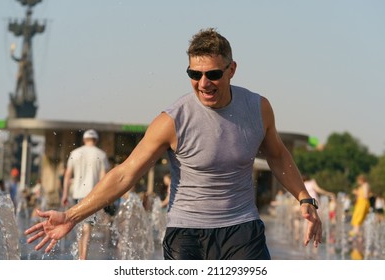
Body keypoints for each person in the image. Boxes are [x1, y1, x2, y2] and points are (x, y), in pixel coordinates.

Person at [25, 28, 322, 260]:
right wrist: (72, 216)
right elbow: (125, 173)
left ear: (232, 70)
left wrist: (304, 199)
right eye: (194, 74)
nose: (203, 83)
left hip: (242, 229)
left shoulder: (258, 108)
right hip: (186, 235)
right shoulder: (172, 120)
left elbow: (278, 155)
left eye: (213, 74)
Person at [60, 129, 110, 259]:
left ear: (84, 139)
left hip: (77, 194)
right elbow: (104, 178)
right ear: (96, 140)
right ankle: (83, 257)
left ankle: (80, 256)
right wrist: (104, 197)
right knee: (87, 226)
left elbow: (67, 175)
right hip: (93, 195)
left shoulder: (75, 153)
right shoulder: (101, 154)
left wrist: (64, 194)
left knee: (80, 225)